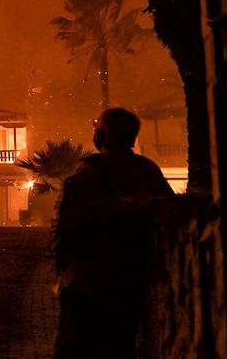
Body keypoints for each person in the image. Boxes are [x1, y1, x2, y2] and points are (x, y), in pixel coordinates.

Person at [53, 107, 174, 359]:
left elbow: (67, 223)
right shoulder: (148, 171)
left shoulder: (89, 172)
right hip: (130, 285)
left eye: (97, 127)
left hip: (86, 284)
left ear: (102, 135)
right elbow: (168, 210)